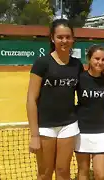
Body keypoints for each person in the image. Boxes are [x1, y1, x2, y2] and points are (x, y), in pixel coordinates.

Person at [26, 19, 83, 180]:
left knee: (63, 171)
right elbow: (31, 99)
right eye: (60, 37)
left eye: (68, 37)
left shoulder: (76, 65)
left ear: (72, 39)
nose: (64, 41)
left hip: (69, 125)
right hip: (45, 127)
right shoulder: (42, 63)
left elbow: (84, 92)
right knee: (45, 173)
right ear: (52, 38)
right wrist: (34, 135)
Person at [75, 44, 104, 180]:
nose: (100, 62)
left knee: (100, 175)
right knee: (83, 172)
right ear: (89, 59)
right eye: (96, 58)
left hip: (101, 130)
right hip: (82, 130)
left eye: (103, 59)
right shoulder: (80, 78)